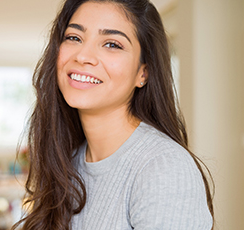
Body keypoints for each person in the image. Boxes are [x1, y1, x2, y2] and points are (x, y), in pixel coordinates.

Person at [12, 0, 214, 229]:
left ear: (143, 73)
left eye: (112, 44)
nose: (83, 56)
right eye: (74, 37)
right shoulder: (68, 163)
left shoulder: (163, 168)